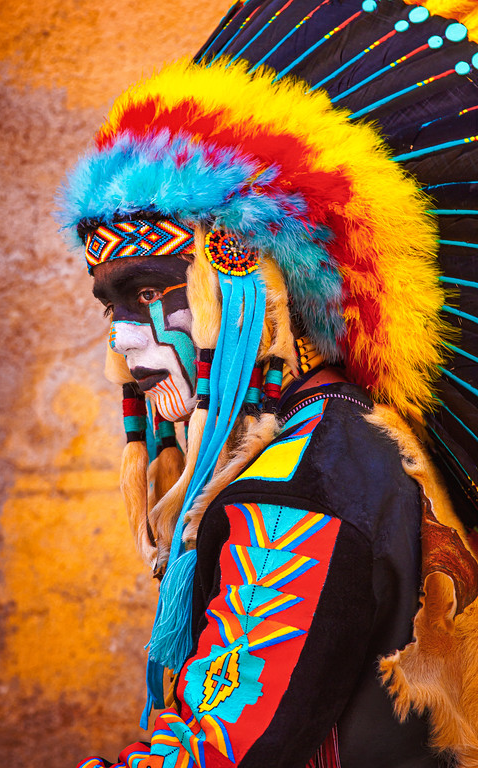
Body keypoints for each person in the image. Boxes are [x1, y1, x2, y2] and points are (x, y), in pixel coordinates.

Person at [57, 13, 478, 766]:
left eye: (150, 290)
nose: (124, 340)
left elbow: (219, 749)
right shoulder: (352, 430)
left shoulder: (301, 482)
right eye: (110, 304)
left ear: (248, 280)